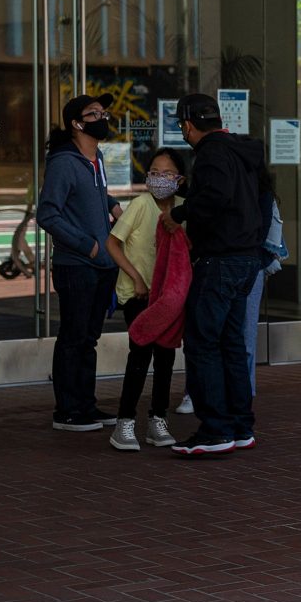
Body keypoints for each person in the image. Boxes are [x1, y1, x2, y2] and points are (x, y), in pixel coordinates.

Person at [161, 94, 269, 457]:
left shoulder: (209, 153)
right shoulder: (243, 150)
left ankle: (215, 430)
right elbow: (252, 198)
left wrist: (179, 214)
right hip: (246, 258)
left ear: (188, 125)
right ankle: (240, 425)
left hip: (219, 260)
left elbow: (216, 197)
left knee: (203, 342)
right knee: (232, 344)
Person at [37, 94, 124, 432]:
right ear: (76, 123)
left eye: (103, 112)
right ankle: (68, 411)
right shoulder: (63, 161)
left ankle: (85, 406)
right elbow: (48, 213)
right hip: (77, 265)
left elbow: (95, 194)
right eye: (93, 114)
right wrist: (87, 245)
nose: (102, 117)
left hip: (102, 265)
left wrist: (113, 204)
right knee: (74, 337)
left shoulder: (96, 157)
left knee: (88, 339)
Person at [105, 147, 187, 451]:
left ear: (180, 179)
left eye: (167, 173)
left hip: (169, 297)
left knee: (166, 358)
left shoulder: (183, 208)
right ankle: (124, 424)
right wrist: (136, 277)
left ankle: (157, 419)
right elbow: (112, 243)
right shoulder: (140, 204)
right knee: (139, 355)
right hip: (138, 294)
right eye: (154, 172)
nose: (159, 178)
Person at [241, 171, 288, 396]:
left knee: (246, 335)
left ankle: (245, 391)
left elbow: (262, 234)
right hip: (245, 265)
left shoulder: (262, 195)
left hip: (251, 266)